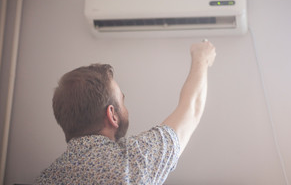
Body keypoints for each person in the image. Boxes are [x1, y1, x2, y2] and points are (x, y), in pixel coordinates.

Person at [35, 41, 216, 184]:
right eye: (122, 100)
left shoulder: (45, 177)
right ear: (112, 115)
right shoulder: (131, 161)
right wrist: (201, 58)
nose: (126, 107)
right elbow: (191, 109)